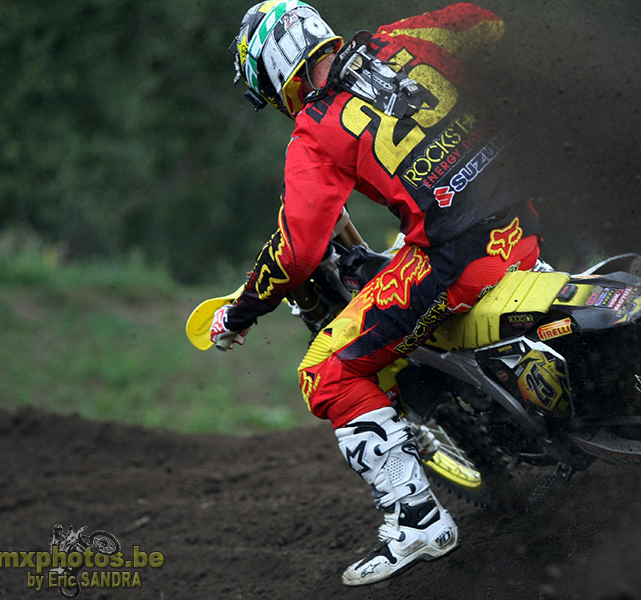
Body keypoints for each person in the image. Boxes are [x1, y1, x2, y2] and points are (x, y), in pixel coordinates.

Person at [212, 1, 541, 586]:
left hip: (457, 259)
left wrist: (240, 313)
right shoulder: (404, 38)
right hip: (523, 219)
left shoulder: (315, 130)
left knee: (326, 372)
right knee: (406, 254)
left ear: (275, 68)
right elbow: (487, 21)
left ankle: (416, 521)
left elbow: (298, 253)